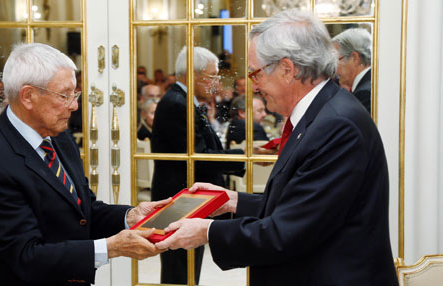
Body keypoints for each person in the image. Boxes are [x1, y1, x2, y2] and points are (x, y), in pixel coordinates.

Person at [155, 10, 398, 285]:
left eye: (256, 73)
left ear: (287, 69)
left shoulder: (336, 126)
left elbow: (287, 232)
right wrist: (232, 200)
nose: (255, 87)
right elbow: (300, 204)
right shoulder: (324, 113)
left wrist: (208, 232)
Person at [0, 43, 169, 285]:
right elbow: (26, 256)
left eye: (75, 94)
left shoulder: (56, 136)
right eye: (64, 95)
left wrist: (130, 216)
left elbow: (83, 210)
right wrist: (111, 247)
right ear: (28, 96)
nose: (74, 105)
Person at [150, 46, 245, 285]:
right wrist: (242, 156)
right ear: (192, 74)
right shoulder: (176, 104)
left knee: (187, 268)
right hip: (179, 199)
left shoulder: (184, 101)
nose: (215, 83)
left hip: (188, 198)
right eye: (212, 76)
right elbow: (198, 156)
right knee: (179, 271)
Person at [332, 28, 372, 113]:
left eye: (336, 60)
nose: (334, 69)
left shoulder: (364, 94)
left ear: (354, 58)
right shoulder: (372, 84)